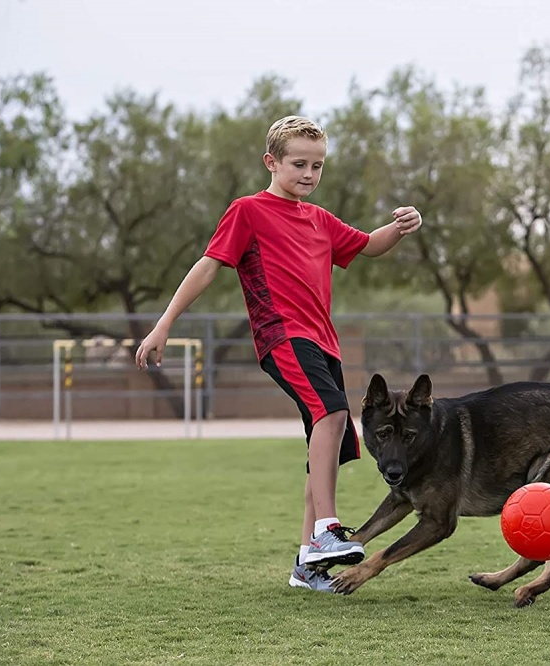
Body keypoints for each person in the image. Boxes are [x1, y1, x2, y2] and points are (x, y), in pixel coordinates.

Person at [134, 115, 423, 593]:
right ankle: (327, 532)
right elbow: (208, 267)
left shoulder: (320, 219)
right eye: (299, 164)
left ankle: (307, 567)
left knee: (324, 441)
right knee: (332, 414)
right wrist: (164, 323)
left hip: (324, 342)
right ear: (272, 162)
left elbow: (369, 246)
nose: (309, 174)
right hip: (283, 337)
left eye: (318, 165)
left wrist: (400, 227)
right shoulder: (248, 210)